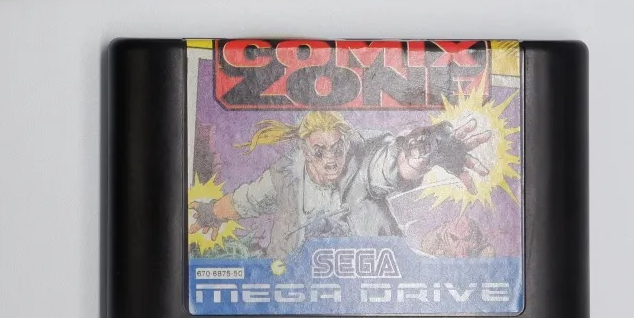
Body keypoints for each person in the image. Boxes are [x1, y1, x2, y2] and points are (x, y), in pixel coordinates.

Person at [191, 111, 489, 260]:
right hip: (295, 282)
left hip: (370, 273)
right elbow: (246, 200)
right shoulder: (286, 174)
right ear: (305, 150)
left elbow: (387, 166)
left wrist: (421, 154)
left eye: (337, 148)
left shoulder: (362, 159)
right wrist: (209, 214)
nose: (331, 159)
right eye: (319, 151)